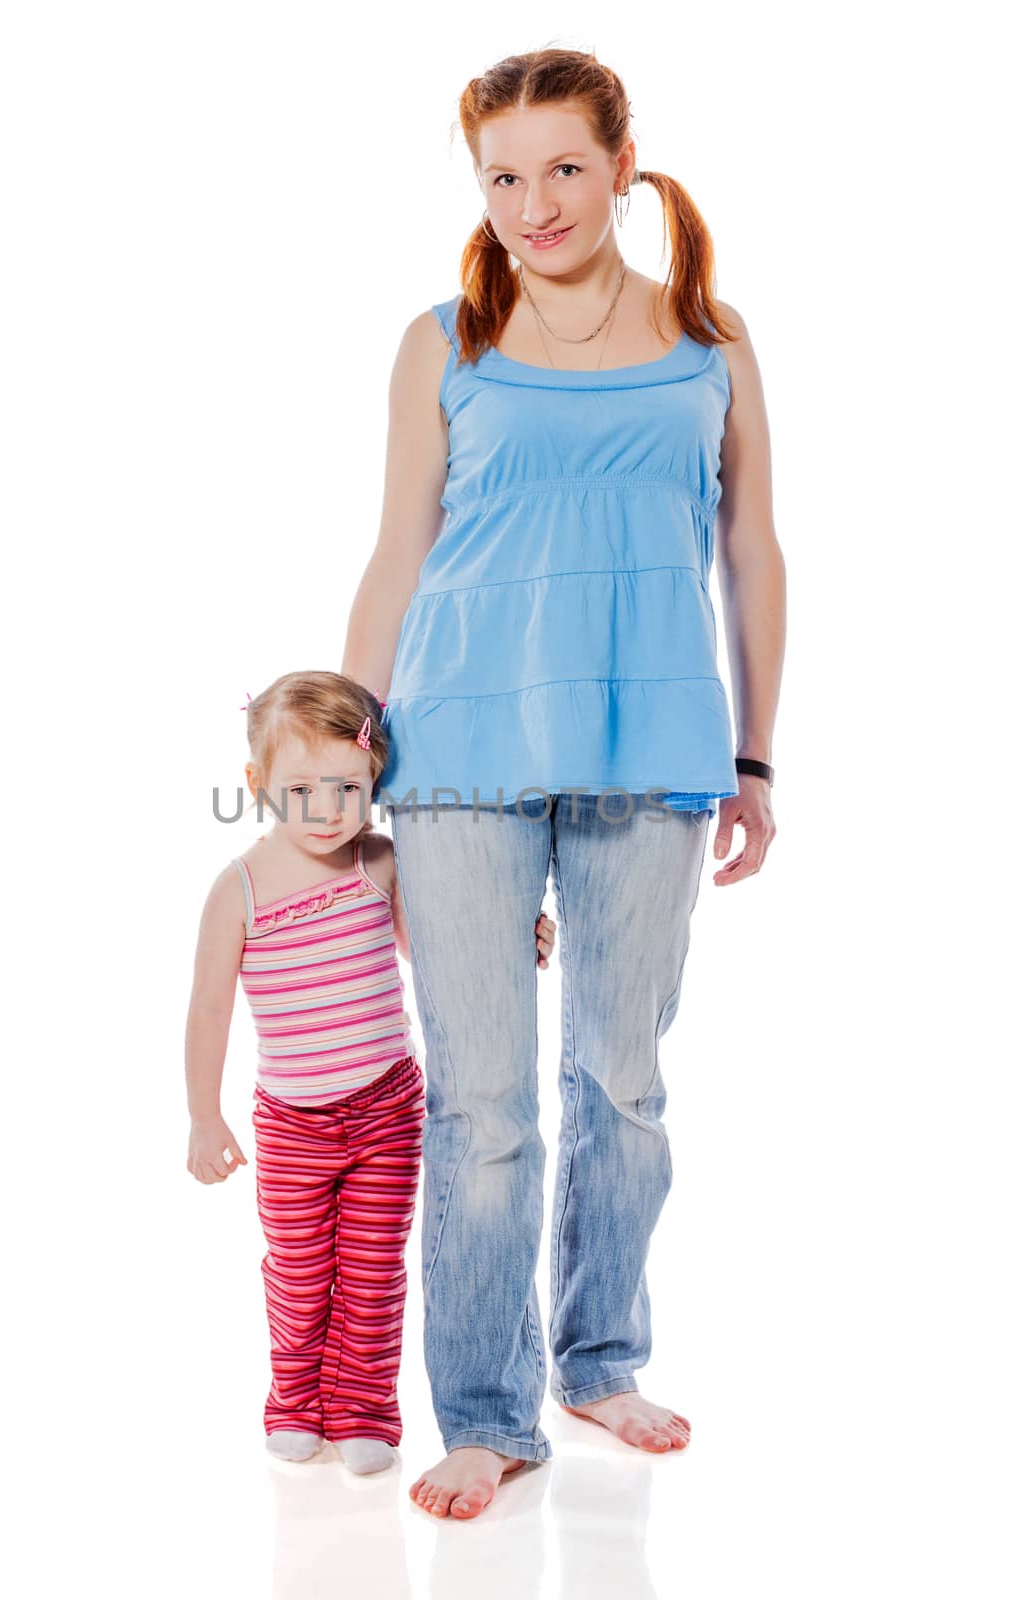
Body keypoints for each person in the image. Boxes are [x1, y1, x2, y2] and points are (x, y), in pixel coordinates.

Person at [341, 48, 786, 1520]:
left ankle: (598, 1358)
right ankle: (482, 1409)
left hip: (649, 756)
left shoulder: (708, 340)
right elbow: (397, 555)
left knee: (623, 1081)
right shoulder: (444, 341)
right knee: (480, 1102)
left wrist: (753, 758)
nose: (533, 204)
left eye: (562, 169)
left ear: (621, 161)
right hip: (455, 754)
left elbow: (751, 556)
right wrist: (349, 769)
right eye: (502, 176)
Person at [183, 670, 557, 1476]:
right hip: (291, 1123)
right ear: (258, 788)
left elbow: (434, 948)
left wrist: (506, 938)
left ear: (374, 783)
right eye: (302, 789)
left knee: (372, 1268)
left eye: (348, 788)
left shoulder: (377, 863)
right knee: (299, 1266)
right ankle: (295, 1399)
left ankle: (362, 1411)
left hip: (386, 1107)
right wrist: (204, 1115)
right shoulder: (239, 888)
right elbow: (208, 1009)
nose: (327, 809)